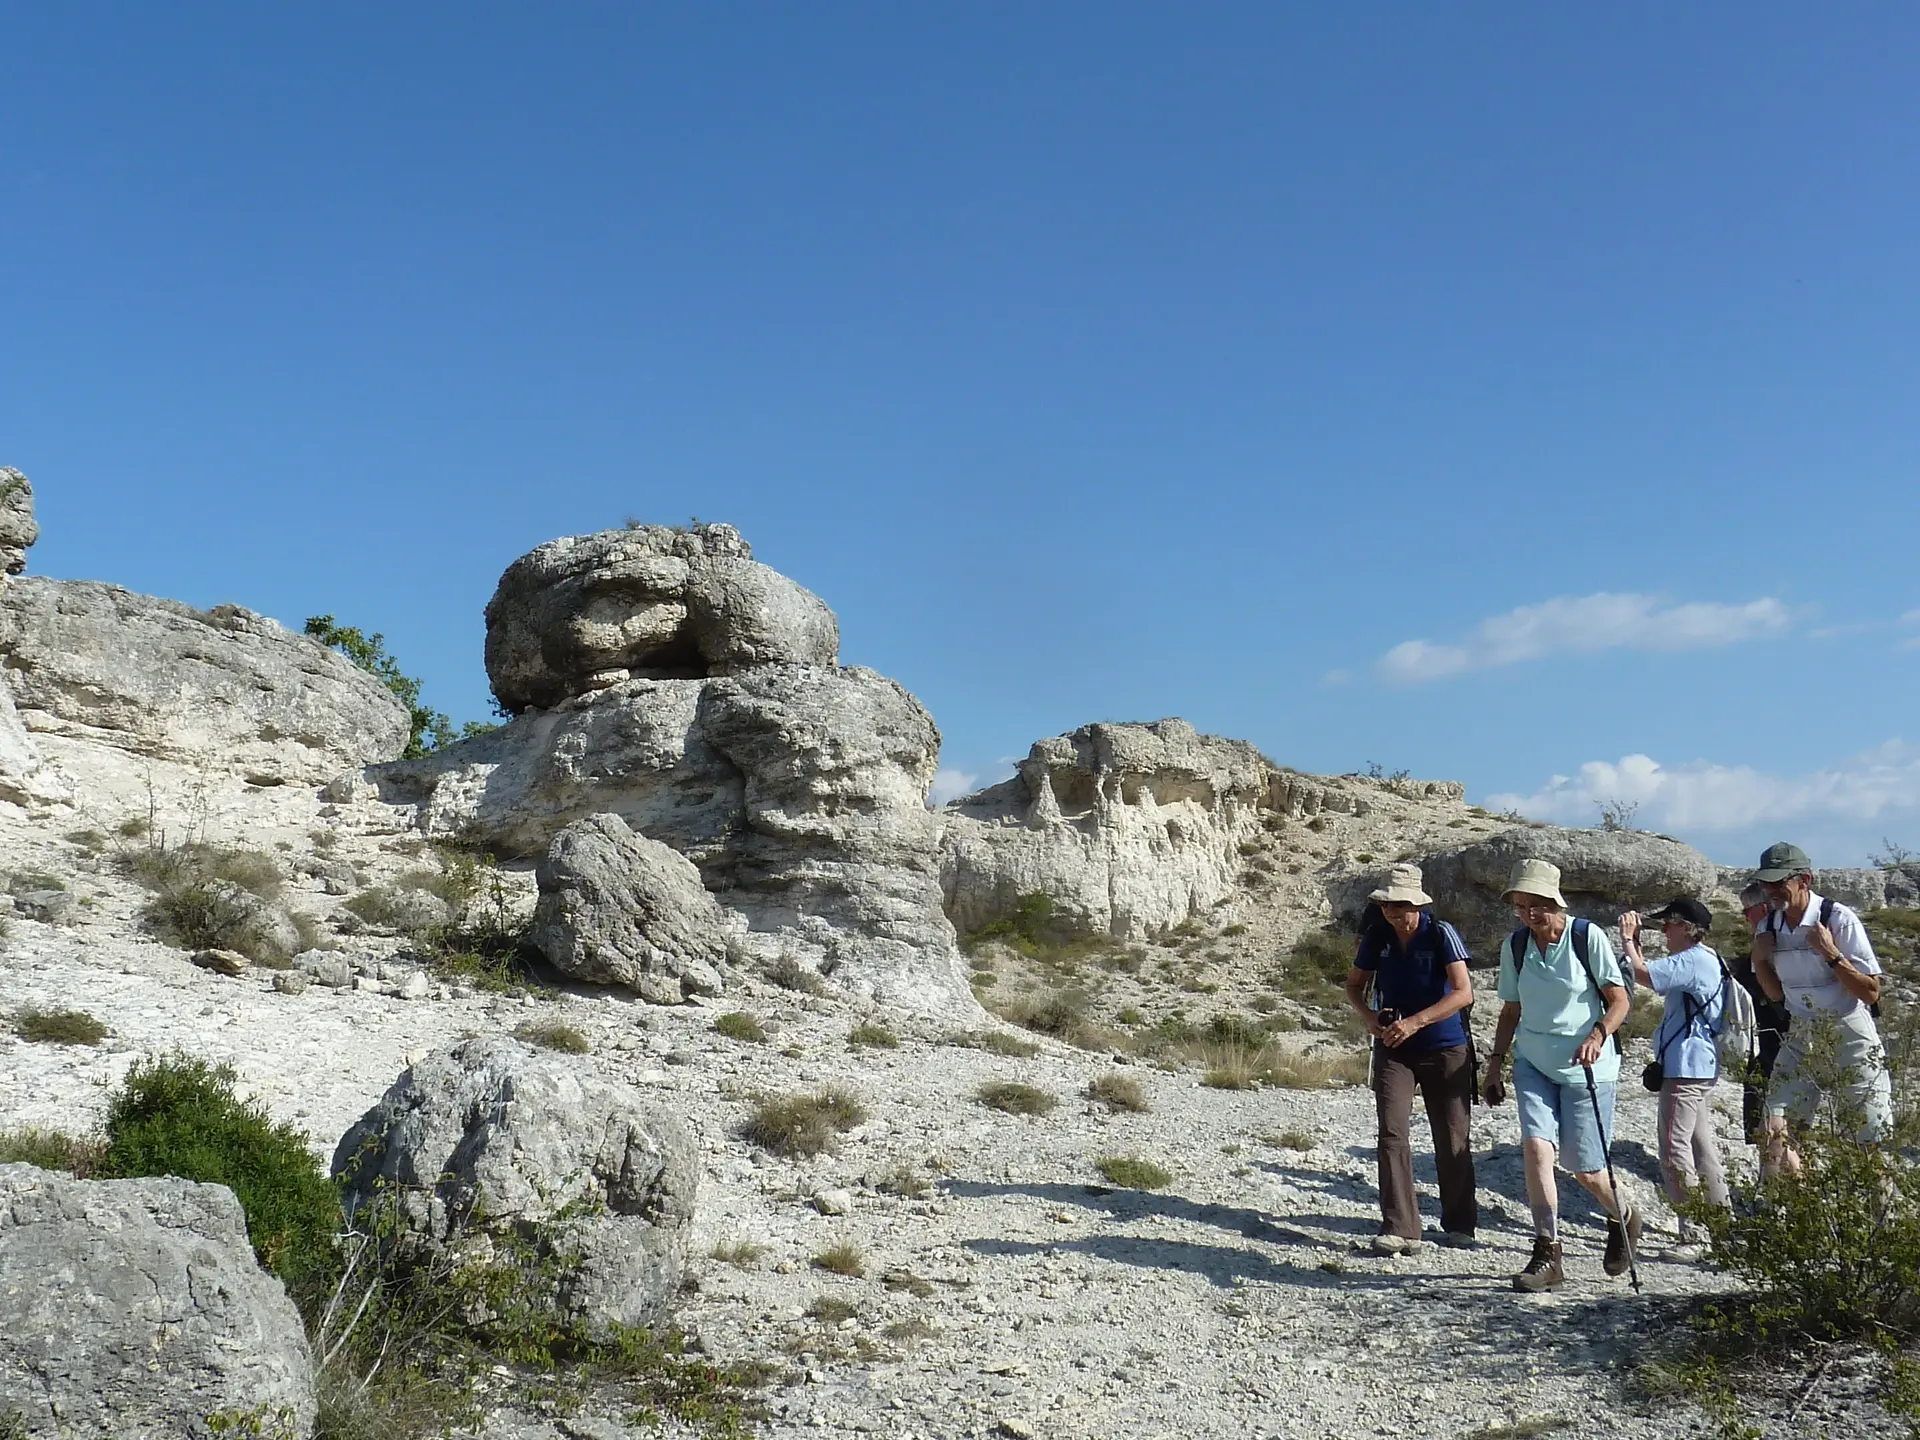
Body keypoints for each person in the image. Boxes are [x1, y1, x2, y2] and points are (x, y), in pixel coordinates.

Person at [1481, 858, 1639, 1292]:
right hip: (1533, 1061)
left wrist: (1598, 1034)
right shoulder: (1516, 947)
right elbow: (1510, 1009)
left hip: (1588, 1065)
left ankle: (1623, 1215)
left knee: (1586, 1170)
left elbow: (1619, 1000)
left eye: (1536, 905)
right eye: (1520, 905)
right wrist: (1495, 1065)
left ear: (1555, 902)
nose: (1528, 914)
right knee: (1535, 1149)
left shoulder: (1587, 938)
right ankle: (1547, 1252)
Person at [1343, 864, 1477, 1254]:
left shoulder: (1440, 933)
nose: (1392, 913)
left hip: (1444, 1046)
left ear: (1416, 904)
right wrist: (1370, 1018)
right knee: (1391, 1131)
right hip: (1392, 1046)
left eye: (1399, 905)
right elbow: (1354, 985)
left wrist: (1417, 1022)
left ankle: (1460, 1223)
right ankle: (1400, 1226)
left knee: (1452, 1135)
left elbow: (1462, 992)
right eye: (1386, 905)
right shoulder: (1376, 936)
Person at [1749, 842, 1891, 1176]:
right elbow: (1776, 996)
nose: (1770, 891)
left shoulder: (1838, 919)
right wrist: (1758, 958)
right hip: (1800, 1033)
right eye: (1765, 883)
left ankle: (1878, 1223)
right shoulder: (1767, 928)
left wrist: (1831, 953)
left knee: (1868, 1142)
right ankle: (1791, 1217)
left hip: (1850, 1032)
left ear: (1805, 880)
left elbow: (1871, 992)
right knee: (1774, 1129)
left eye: (1778, 882)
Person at [1619, 897, 1730, 1261]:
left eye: (1668, 925)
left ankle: (1694, 1235)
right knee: (1701, 1147)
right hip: (1700, 1065)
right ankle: (1722, 1227)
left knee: (1672, 1148)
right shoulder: (1711, 958)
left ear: (1685, 927)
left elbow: (1645, 976)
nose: (1664, 932)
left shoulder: (1693, 959)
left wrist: (1627, 940)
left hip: (1684, 1067)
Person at [1726, 881, 1791, 1145]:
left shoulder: (1779, 950)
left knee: (1774, 1122)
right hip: (1764, 1045)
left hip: (1777, 1045)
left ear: (1762, 910)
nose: (1745, 918)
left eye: (1747, 911)